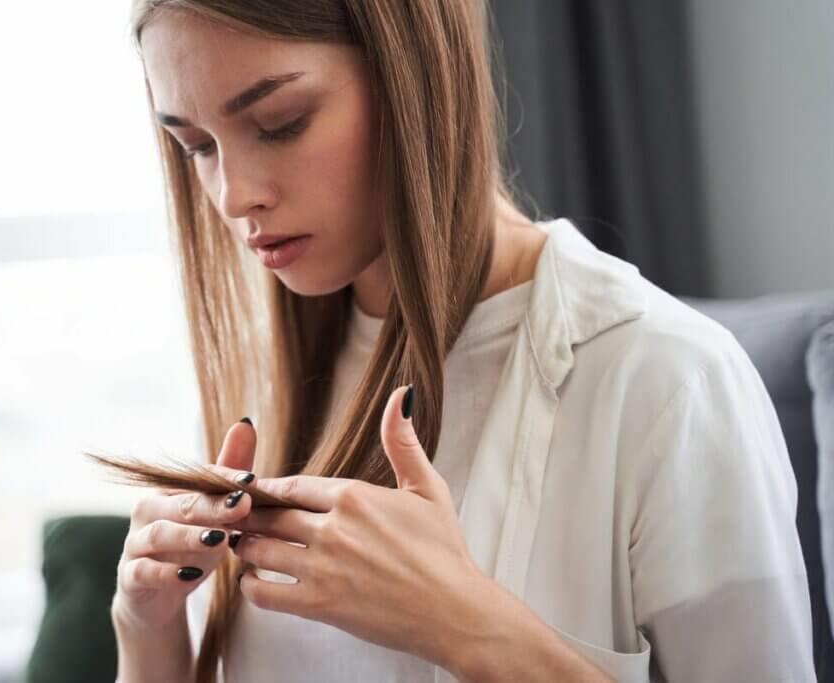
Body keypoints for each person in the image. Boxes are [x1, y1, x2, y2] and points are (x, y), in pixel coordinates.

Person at [109, 1, 815, 681]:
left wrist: (465, 625)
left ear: (411, 70)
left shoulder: (667, 376)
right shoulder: (264, 386)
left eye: (280, 122)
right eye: (195, 145)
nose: (233, 195)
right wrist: (148, 640)